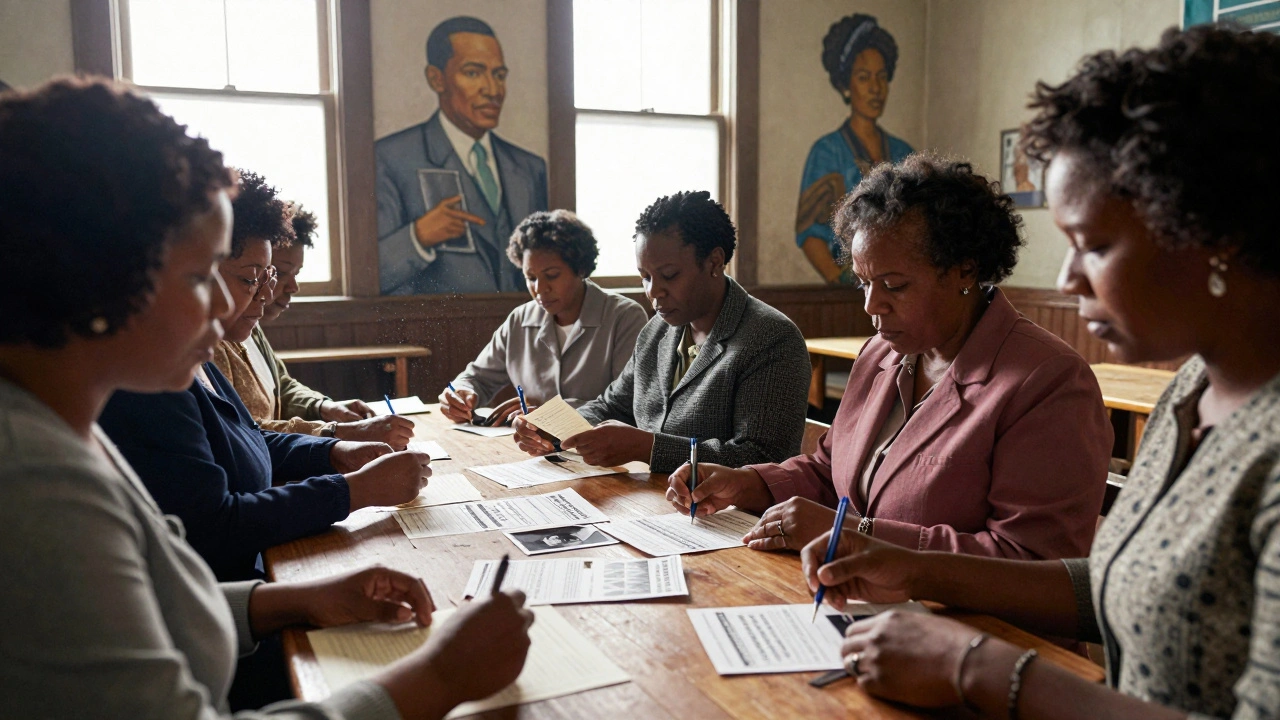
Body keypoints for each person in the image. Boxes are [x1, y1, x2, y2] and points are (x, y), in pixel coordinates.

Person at [0, 76, 533, 718]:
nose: (228, 304)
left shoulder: (64, 424)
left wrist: (296, 598)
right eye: (201, 277)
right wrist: (437, 679)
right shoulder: (34, 481)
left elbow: (154, 599)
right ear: (98, 276)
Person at [799, 26, 1280, 719]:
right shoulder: (1194, 392)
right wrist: (914, 565)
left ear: (1215, 233)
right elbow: (1128, 584)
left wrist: (980, 667)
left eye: (1095, 244)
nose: (1067, 279)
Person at [668, 155, 1113, 561]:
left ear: (965, 270)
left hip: (972, 635)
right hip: (865, 606)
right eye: (864, 283)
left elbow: (1033, 564)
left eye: (895, 286)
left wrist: (856, 534)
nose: (871, 305)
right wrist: (748, 483)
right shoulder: (882, 354)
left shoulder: (1047, 381)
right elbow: (830, 470)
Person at [98, 172, 427, 584]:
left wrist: (333, 452)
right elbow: (215, 528)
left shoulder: (194, 357)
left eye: (266, 279)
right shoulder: (149, 381)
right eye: (251, 278)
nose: (266, 295)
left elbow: (249, 435)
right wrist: (354, 491)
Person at [514, 191, 811, 473]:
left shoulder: (771, 339)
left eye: (669, 275)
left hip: (727, 518)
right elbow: (613, 405)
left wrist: (648, 448)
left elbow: (764, 460)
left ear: (715, 262)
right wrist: (556, 428)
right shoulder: (656, 331)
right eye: (645, 277)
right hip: (651, 503)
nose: (653, 292)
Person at [377, 15, 548, 295]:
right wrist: (418, 237)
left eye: (499, 75)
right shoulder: (391, 158)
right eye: (473, 73)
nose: (493, 90)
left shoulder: (529, 167)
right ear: (436, 78)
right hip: (437, 329)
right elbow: (371, 277)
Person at [229, 198, 413, 448]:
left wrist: (325, 407)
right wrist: (338, 432)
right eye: (279, 273)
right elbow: (242, 430)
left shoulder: (250, 324)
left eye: (294, 274)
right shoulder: (214, 341)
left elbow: (280, 386)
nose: (292, 287)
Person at [439, 209, 647, 425]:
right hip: (533, 448)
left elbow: (627, 401)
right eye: (530, 278)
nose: (539, 289)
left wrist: (548, 414)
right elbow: (475, 378)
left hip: (599, 451)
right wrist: (461, 393)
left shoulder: (625, 317)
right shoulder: (519, 320)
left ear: (581, 268)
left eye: (552, 276)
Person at [797, 13, 914, 285]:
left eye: (881, 77)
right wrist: (841, 281)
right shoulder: (826, 152)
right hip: (849, 291)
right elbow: (810, 233)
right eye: (864, 78)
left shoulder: (904, 152)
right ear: (845, 85)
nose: (875, 88)